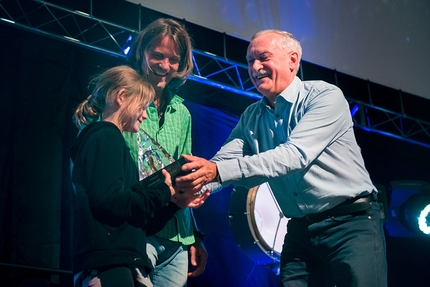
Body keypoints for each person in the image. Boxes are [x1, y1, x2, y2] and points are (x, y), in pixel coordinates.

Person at [175, 29, 388, 287]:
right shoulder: (251, 116)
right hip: (300, 229)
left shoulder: (324, 96)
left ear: (293, 60)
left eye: (263, 58)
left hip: (351, 223)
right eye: (250, 61)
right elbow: (220, 165)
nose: (255, 67)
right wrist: (195, 184)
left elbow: (293, 156)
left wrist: (214, 173)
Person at [70, 65, 206, 287]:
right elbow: (111, 202)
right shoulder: (106, 136)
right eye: (142, 107)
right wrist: (162, 190)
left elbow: (132, 221)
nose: (144, 115)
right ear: (121, 97)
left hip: (117, 261)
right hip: (107, 265)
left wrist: (174, 202)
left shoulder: (108, 139)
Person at [123, 18, 208, 286]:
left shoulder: (182, 113)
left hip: (176, 238)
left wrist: (194, 236)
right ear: (141, 53)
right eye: (157, 56)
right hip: (137, 227)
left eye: (173, 60)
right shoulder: (123, 99)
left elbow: (184, 172)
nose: (165, 66)